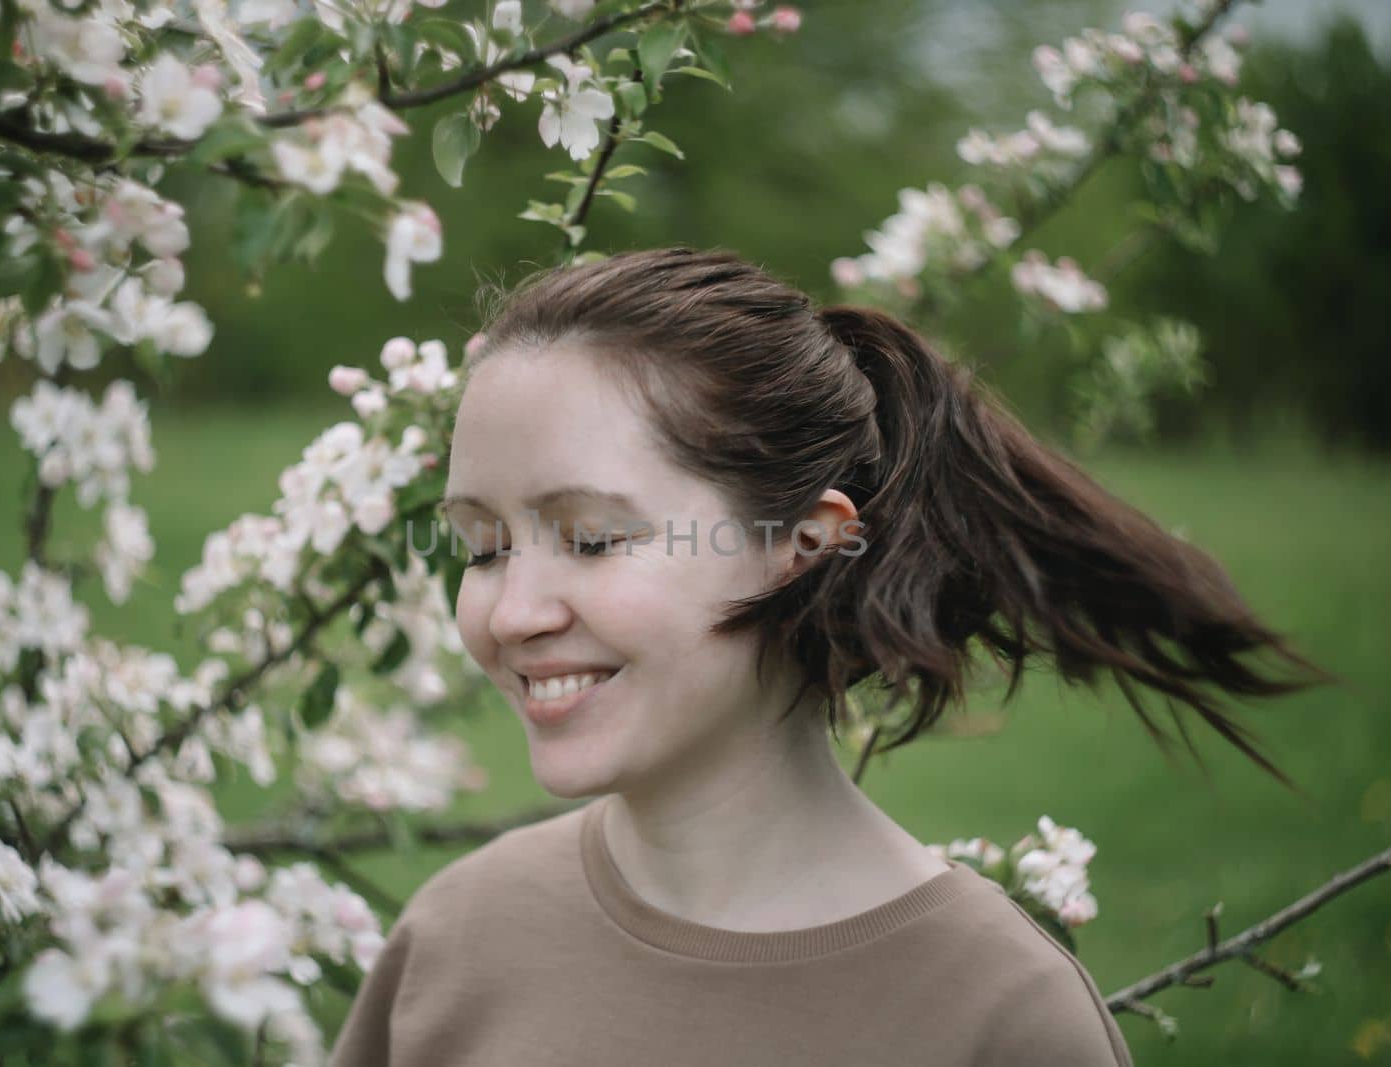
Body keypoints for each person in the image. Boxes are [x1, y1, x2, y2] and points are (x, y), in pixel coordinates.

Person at [326, 246, 1323, 1066]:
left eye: (589, 537)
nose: (514, 611)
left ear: (806, 544)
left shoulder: (999, 1013)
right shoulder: (458, 941)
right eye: (481, 546)